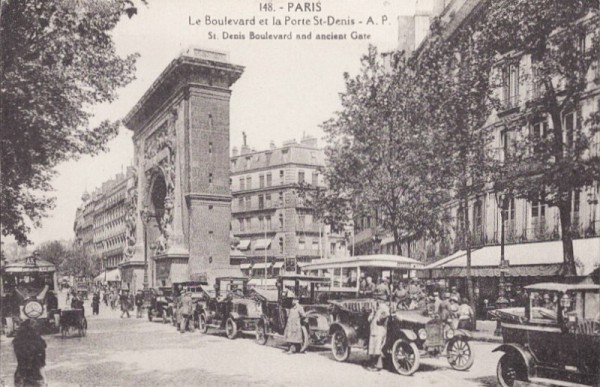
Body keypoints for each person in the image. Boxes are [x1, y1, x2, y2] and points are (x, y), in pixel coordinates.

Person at [12, 320, 47, 387]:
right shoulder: (38, 344)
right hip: (35, 377)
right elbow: (40, 365)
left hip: (20, 376)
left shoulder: (17, 343)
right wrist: (45, 381)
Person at [366, 292, 389, 372]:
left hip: (379, 330)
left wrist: (380, 319)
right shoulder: (377, 307)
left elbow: (386, 315)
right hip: (374, 329)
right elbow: (372, 316)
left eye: (379, 299)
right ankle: (373, 364)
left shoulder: (384, 307)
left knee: (377, 348)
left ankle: (378, 365)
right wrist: (371, 315)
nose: (378, 301)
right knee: (373, 346)